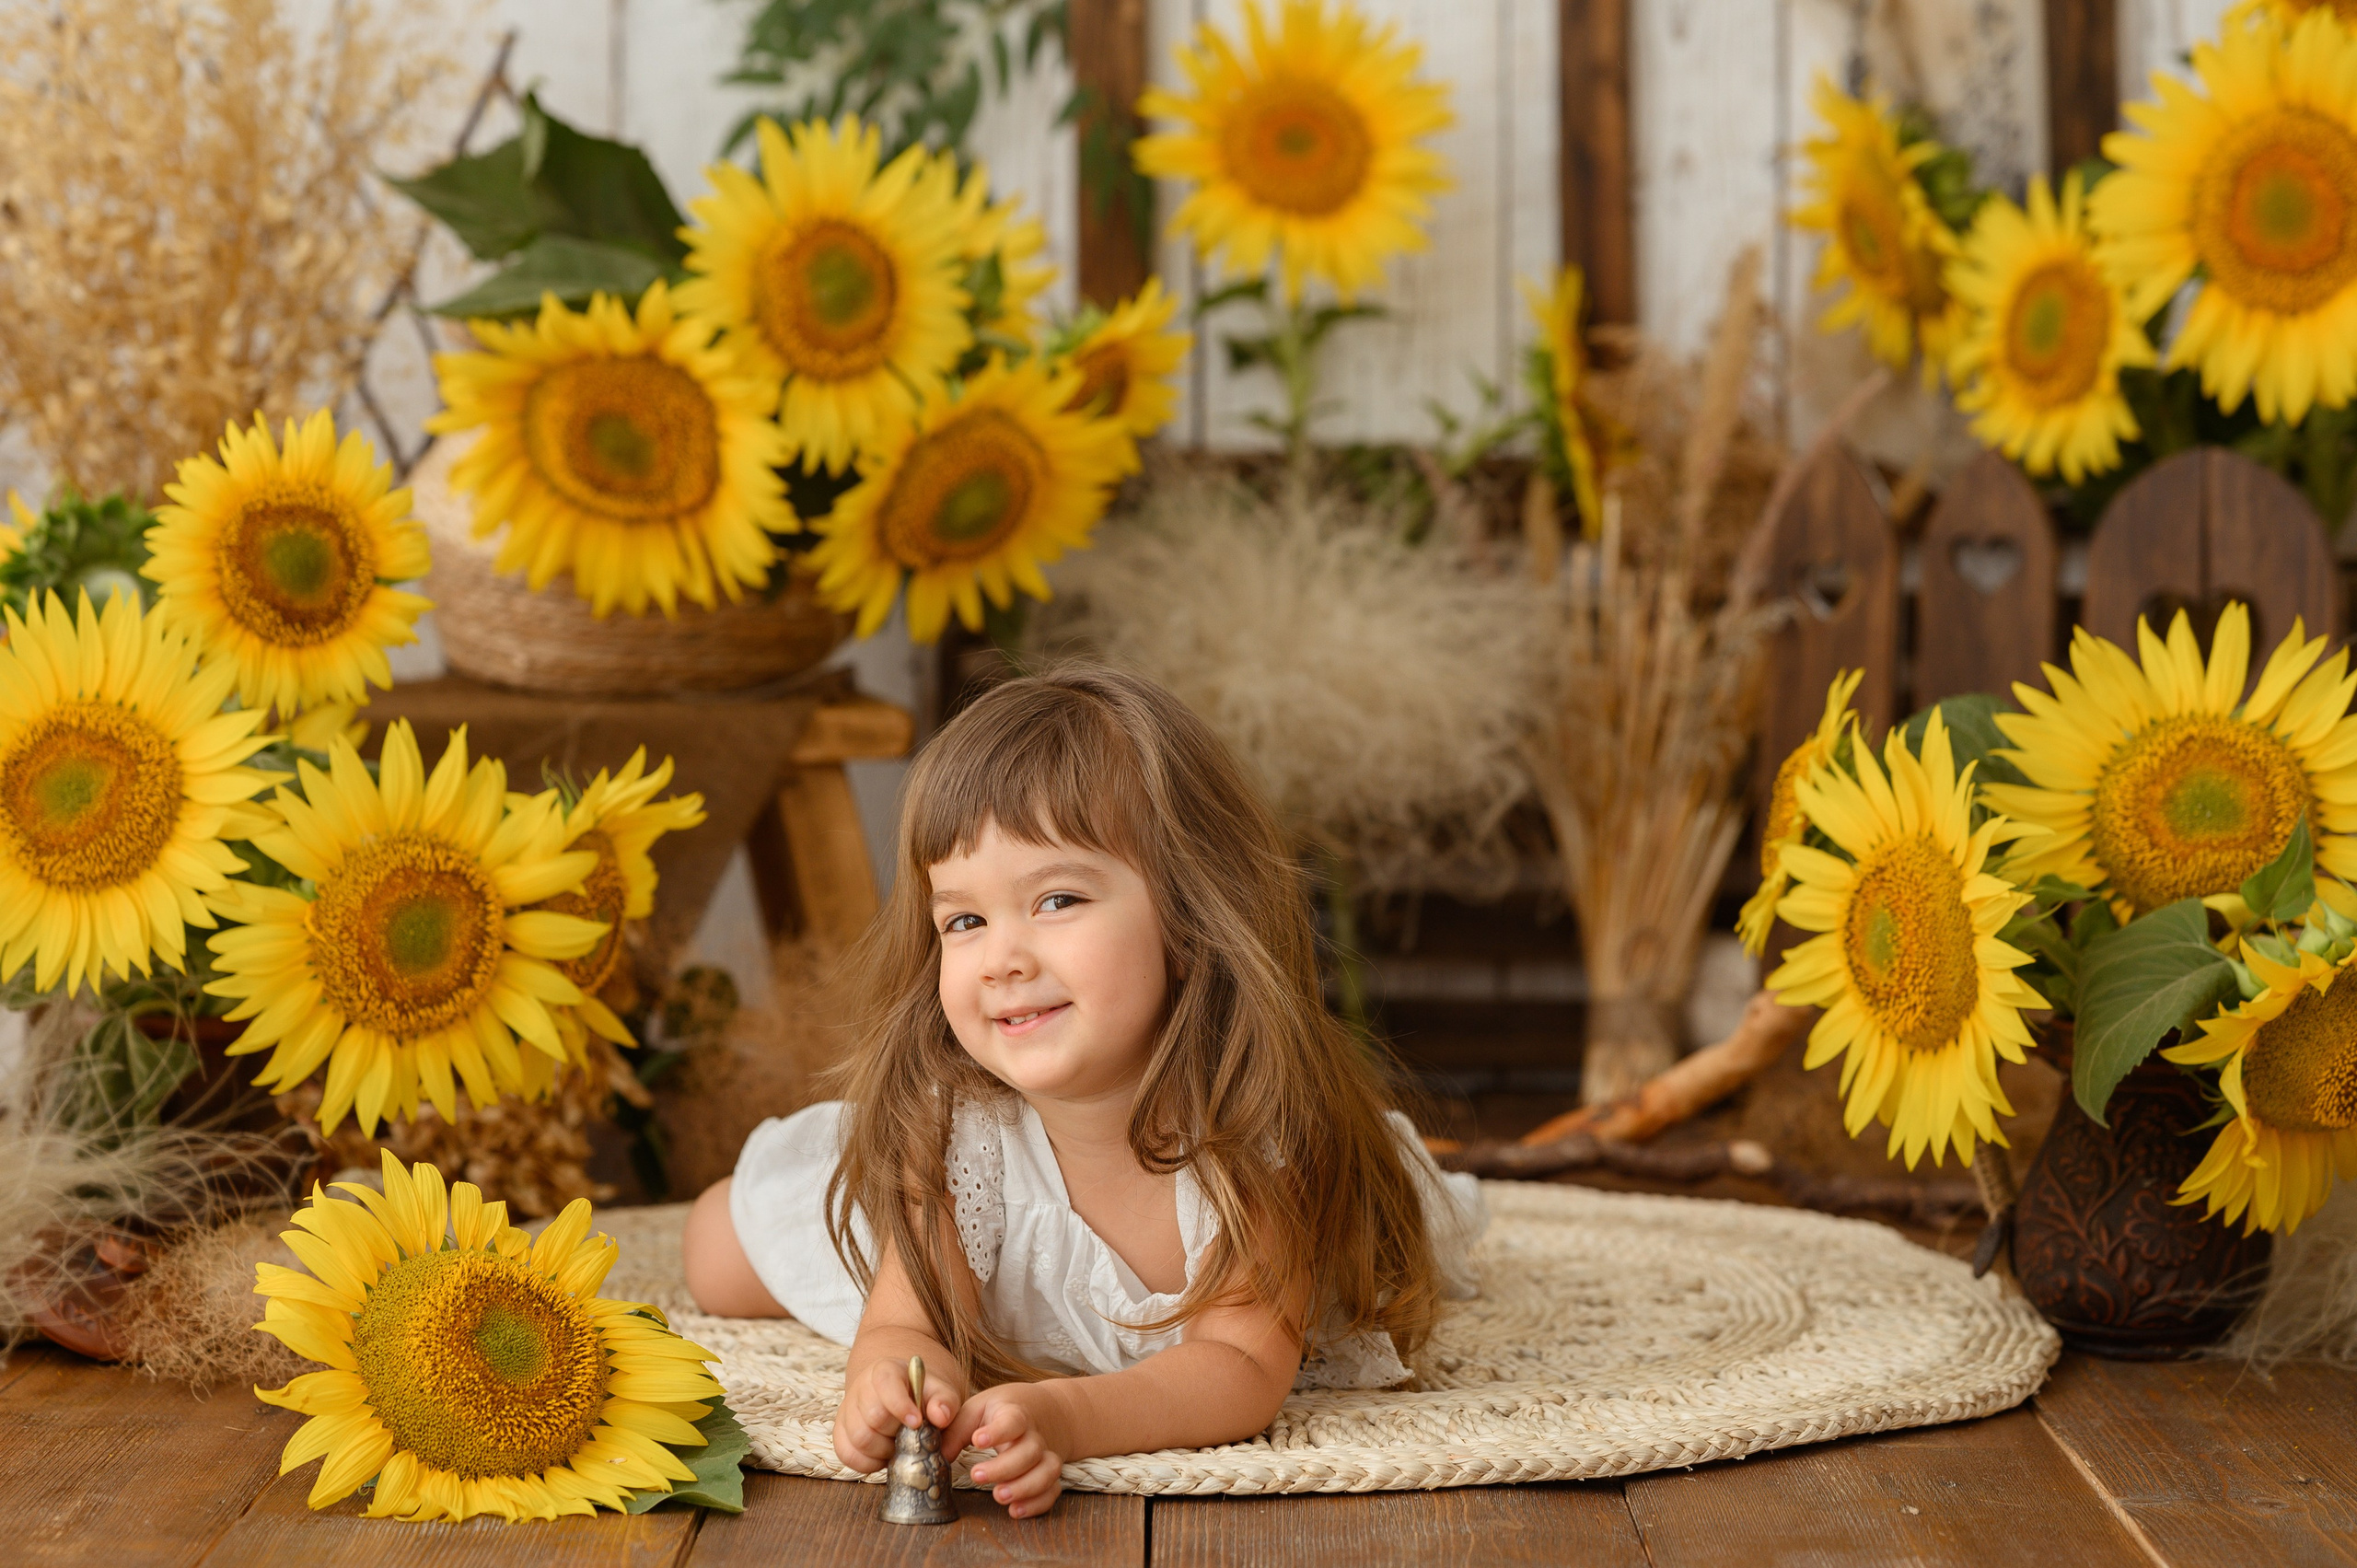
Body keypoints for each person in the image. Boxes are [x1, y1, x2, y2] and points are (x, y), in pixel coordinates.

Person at [680, 665, 1485, 1517]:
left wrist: (1069, 1413)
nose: (1002, 957)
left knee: (1396, 1240)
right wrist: (898, 1379)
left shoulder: (1259, 1130)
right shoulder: (953, 1133)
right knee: (716, 1256)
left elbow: (1240, 1368)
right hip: (969, 1223)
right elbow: (910, 1324)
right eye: (964, 919)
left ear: (1190, 915)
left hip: (1257, 1171)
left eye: (1056, 898)